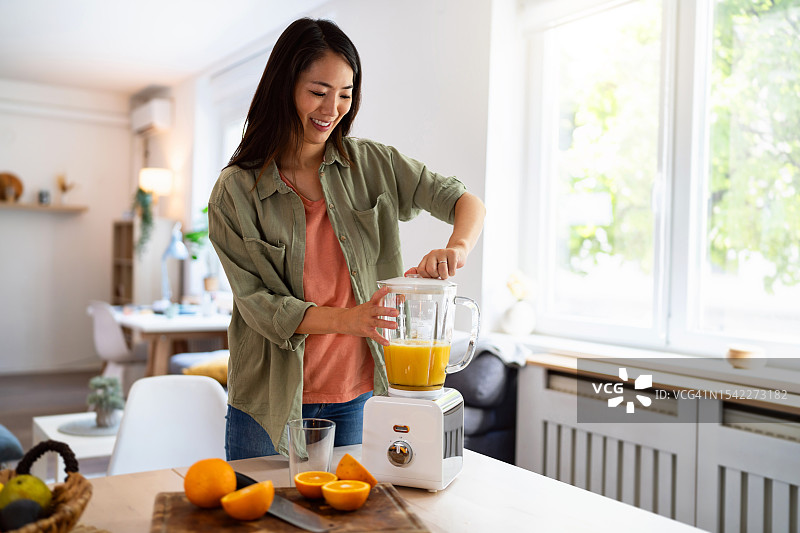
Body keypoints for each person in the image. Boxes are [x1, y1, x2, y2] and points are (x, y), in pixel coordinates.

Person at [208, 17, 486, 460]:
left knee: (348, 519)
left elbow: (464, 201)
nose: (332, 108)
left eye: (345, 94)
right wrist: (351, 320)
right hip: (268, 402)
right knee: (259, 524)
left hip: (357, 394)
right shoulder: (236, 191)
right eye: (318, 92)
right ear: (284, 87)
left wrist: (457, 249)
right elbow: (258, 304)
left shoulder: (372, 165)